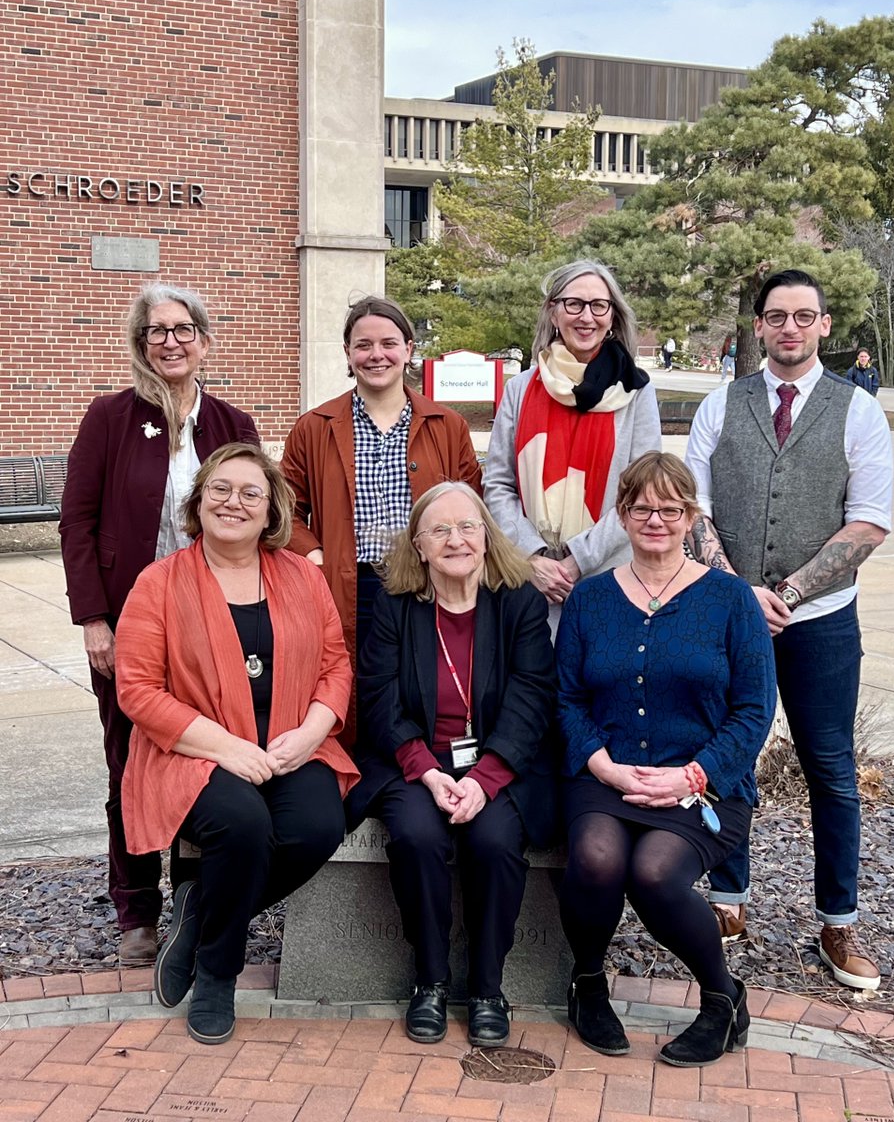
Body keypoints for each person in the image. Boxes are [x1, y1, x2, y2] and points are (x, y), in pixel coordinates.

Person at [685, 269, 893, 990]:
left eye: (805, 317)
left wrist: (794, 590)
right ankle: (728, 903)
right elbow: (694, 511)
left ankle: (838, 922)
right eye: (777, 316)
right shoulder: (721, 405)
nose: (791, 329)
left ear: (825, 326)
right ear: (760, 326)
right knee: (729, 763)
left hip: (824, 623)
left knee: (831, 770)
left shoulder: (857, 412)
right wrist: (742, 590)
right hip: (731, 617)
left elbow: (868, 520)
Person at [114, 443, 359, 1044]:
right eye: (221, 489)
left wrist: (310, 733)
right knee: (244, 826)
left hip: (289, 743)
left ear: (272, 509)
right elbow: (138, 690)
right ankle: (219, 973)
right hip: (192, 749)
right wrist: (224, 747)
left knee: (317, 827)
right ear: (198, 501)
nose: (235, 502)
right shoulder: (160, 582)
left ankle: (197, 919)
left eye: (252, 492)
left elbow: (336, 666)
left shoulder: (303, 576)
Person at [59, 284, 259, 967]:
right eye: (156, 332)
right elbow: (77, 524)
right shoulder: (110, 418)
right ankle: (137, 908)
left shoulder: (232, 423)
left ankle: (198, 897)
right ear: (140, 343)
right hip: (129, 623)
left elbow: (261, 520)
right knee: (130, 765)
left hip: (214, 623)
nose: (170, 341)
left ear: (204, 339)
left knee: (209, 759)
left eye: (183, 329)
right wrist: (93, 619)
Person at [557, 452, 775, 1067]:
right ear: (622, 516)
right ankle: (588, 983)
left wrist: (693, 774)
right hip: (605, 774)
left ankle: (722, 998)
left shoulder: (732, 601)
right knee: (598, 858)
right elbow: (567, 699)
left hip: (704, 781)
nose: (657, 520)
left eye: (671, 509)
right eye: (643, 508)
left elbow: (755, 710)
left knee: (654, 872)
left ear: (690, 518)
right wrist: (603, 766)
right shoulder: (590, 599)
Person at [347, 482, 556, 1047]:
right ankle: (430, 981)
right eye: (439, 530)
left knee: (492, 842)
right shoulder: (395, 604)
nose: (455, 539)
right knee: (416, 835)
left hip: (500, 763)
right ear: (418, 545)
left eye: (467, 527)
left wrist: (485, 779)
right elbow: (378, 694)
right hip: (415, 759)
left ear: (487, 537)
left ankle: (488, 987)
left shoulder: (518, 601)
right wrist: (427, 769)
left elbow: (533, 695)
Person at [281, 295, 482, 744]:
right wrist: (314, 555)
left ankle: (415, 774)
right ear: (348, 353)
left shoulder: (446, 425)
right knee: (352, 686)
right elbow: (283, 509)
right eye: (363, 345)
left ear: (409, 349)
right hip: (350, 585)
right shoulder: (314, 427)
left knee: (421, 682)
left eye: (389, 343)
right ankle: (355, 778)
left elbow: (474, 505)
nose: (376, 355)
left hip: (426, 583)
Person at [484, 259, 661, 629]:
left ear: (613, 316)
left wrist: (576, 560)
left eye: (599, 305)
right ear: (553, 311)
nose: (587, 317)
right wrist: (531, 556)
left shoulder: (636, 393)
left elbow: (642, 494)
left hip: (611, 577)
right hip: (530, 582)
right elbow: (498, 484)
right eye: (573, 304)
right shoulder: (519, 390)